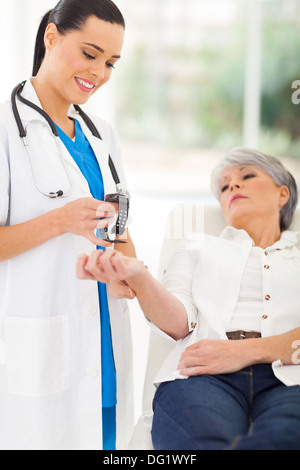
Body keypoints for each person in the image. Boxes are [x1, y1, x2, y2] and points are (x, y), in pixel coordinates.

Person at [77, 147, 300, 450]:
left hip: (293, 377)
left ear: (282, 194)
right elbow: (179, 324)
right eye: (224, 186)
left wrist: (245, 351)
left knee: (286, 437)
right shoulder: (197, 246)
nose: (232, 185)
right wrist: (141, 281)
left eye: (247, 176)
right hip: (203, 376)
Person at [0, 0, 136, 450]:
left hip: (104, 347)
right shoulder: (5, 129)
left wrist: (128, 271)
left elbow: (116, 224)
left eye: (111, 63)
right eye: (90, 53)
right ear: (52, 37)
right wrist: (59, 221)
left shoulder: (102, 135)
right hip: (40, 347)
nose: (99, 73)